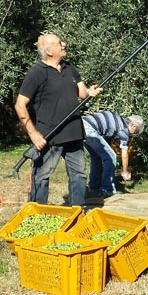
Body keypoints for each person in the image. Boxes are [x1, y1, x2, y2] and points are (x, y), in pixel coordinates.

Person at [14, 31, 103, 206]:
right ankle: (38, 212)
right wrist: (33, 134)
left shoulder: (69, 67)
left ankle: (77, 211)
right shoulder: (36, 73)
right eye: (59, 43)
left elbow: (82, 92)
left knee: (79, 175)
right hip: (50, 135)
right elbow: (20, 104)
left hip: (74, 132)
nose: (64, 45)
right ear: (49, 51)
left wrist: (90, 92)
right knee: (41, 177)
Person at [83, 111, 144, 197]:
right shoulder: (124, 129)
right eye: (135, 132)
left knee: (96, 157)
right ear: (133, 126)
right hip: (90, 129)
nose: (132, 134)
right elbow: (124, 155)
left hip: (81, 126)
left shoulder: (119, 120)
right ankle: (108, 190)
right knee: (111, 157)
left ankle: (94, 188)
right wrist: (125, 171)